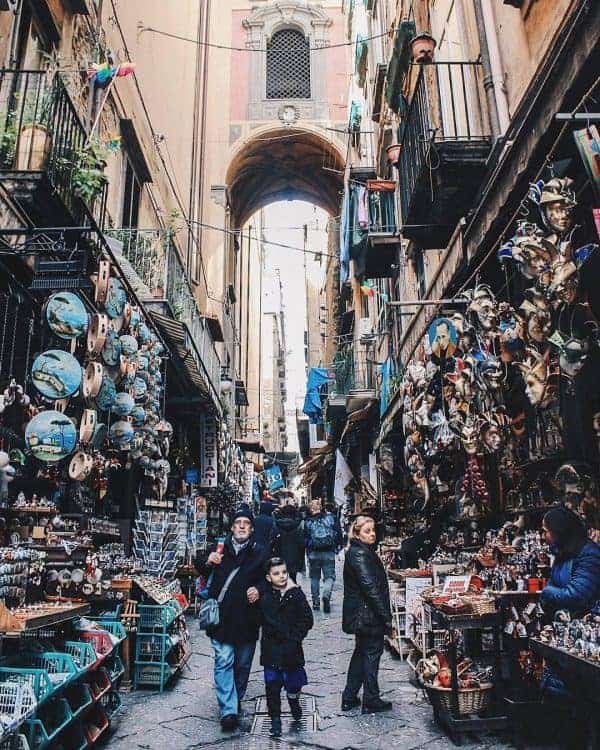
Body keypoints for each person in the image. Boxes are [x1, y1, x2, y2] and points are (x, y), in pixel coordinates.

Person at [199, 507, 268, 731]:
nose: (241, 526)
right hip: (222, 618)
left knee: (242, 664)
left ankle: (235, 698)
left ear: (251, 528)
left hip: (248, 619)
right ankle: (228, 710)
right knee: (224, 660)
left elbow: (270, 580)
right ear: (231, 527)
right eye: (237, 522)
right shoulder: (219, 548)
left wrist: (259, 589)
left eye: (245, 523)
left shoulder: (260, 552)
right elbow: (199, 566)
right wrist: (208, 561)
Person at [341, 515, 393, 715]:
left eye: (373, 530)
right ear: (357, 534)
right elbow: (371, 588)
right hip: (368, 616)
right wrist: (386, 618)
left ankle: (349, 696)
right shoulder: (360, 554)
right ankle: (371, 699)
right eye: (367, 531)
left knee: (361, 653)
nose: (372, 534)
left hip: (362, 615)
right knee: (372, 654)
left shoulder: (358, 551)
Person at [259, 557, 314, 738]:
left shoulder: (296, 594)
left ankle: (293, 701)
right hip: (272, 649)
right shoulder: (265, 595)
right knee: (272, 687)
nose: (281, 576)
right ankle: (275, 720)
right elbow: (262, 618)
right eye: (276, 574)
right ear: (269, 577)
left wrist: (296, 637)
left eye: (284, 572)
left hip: (292, 649)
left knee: (294, 684)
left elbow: (307, 618)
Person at [541, 506, 600, 618]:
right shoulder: (562, 553)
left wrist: (546, 592)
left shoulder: (589, 554)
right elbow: (554, 584)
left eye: (545, 531)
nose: (543, 536)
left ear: (558, 532)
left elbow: (577, 596)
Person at [304, 498, 343, 612]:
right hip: (329, 552)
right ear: (320, 507)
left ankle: (315, 603)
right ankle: (326, 595)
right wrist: (338, 547)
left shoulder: (307, 521)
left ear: (311, 509)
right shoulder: (331, 518)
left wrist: (308, 547)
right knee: (329, 577)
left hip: (313, 553)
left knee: (314, 578)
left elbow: (304, 539)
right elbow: (338, 534)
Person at [273, 504, 306, 582]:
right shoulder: (298, 525)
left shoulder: (277, 524)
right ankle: (291, 591)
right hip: (295, 555)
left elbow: (273, 541)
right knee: (293, 578)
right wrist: (301, 559)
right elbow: (301, 544)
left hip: (280, 555)